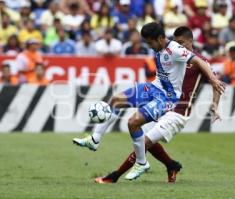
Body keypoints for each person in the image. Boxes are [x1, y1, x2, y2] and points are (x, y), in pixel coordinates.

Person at [73, 22, 225, 181]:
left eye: (182, 43)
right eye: (177, 42)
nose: (180, 46)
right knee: (120, 104)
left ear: (189, 42)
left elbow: (208, 73)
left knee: (140, 134)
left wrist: (214, 98)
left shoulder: (184, 54)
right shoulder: (162, 49)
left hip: (174, 106)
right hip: (157, 92)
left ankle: (119, 174)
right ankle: (95, 139)